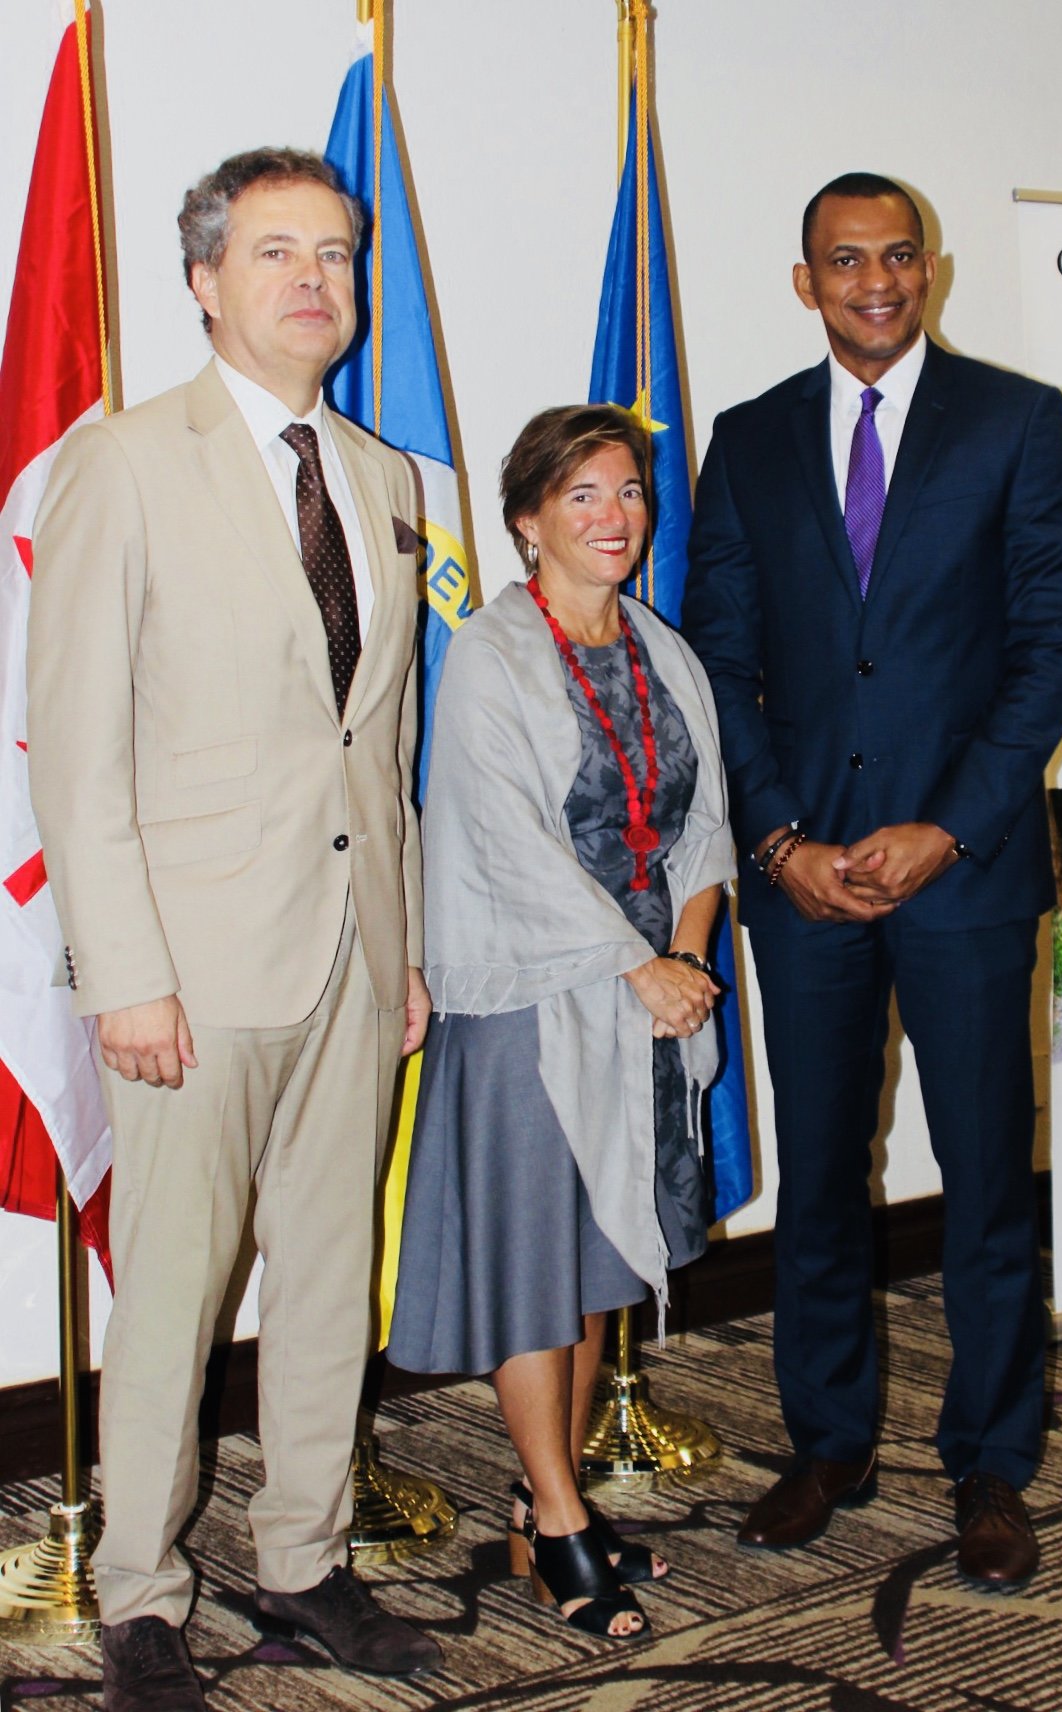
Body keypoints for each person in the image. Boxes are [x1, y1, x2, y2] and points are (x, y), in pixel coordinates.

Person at [26, 149, 440, 1711]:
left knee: (335, 1277)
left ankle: (307, 1564)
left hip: (351, 953)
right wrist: (122, 973)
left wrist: (398, 947)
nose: (313, 282)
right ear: (204, 279)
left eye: (334, 253)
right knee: (180, 1292)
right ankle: (141, 1597)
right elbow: (77, 745)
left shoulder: (387, 478)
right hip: (191, 970)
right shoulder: (126, 463)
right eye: (276, 253)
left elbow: (377, 746)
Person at [682, 172, 1062, 1588]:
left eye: (898, 256)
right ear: (805, 281)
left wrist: (953, 827)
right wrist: (782, 840)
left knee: (984, 1181)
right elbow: (717, 664)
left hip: (963, 877)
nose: (875, 280)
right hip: (805, 887)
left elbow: (1053, 647)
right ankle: (829, 1442)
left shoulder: (1017, 422)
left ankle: (991, 1462)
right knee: (824, 1181)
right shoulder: (743, 444)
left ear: (933, 270)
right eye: (845, 260)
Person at [387, 405, 733, 1641]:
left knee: (602, 1270)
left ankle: (554, 1506)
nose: (614, 516)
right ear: (527, 517)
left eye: (630, 491)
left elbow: (705, 823)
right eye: (581, 493)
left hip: (646, 994)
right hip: (535, 1003)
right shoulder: (487, 654)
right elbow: (506, 845)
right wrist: (638, 964)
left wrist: (686, 951)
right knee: (541, 1274)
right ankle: (555, 1510)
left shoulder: (662, 646)